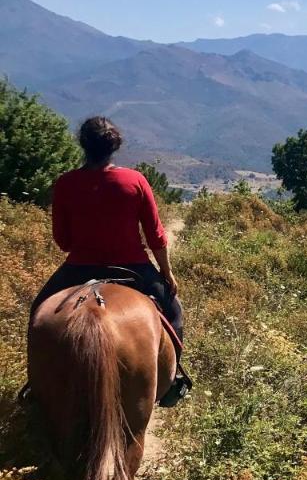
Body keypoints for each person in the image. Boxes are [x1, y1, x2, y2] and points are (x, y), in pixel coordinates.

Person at [29, 116, 191, 407]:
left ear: (83, 145)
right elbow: (155, 234)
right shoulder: (135, 180)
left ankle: (36, 385)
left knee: (38, 313)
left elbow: (63, 241)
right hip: (134, 268)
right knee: (174, 313)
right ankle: (170, 382)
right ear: (114, 147)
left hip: (78, 268)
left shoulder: (66, 183)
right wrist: (167, 273)